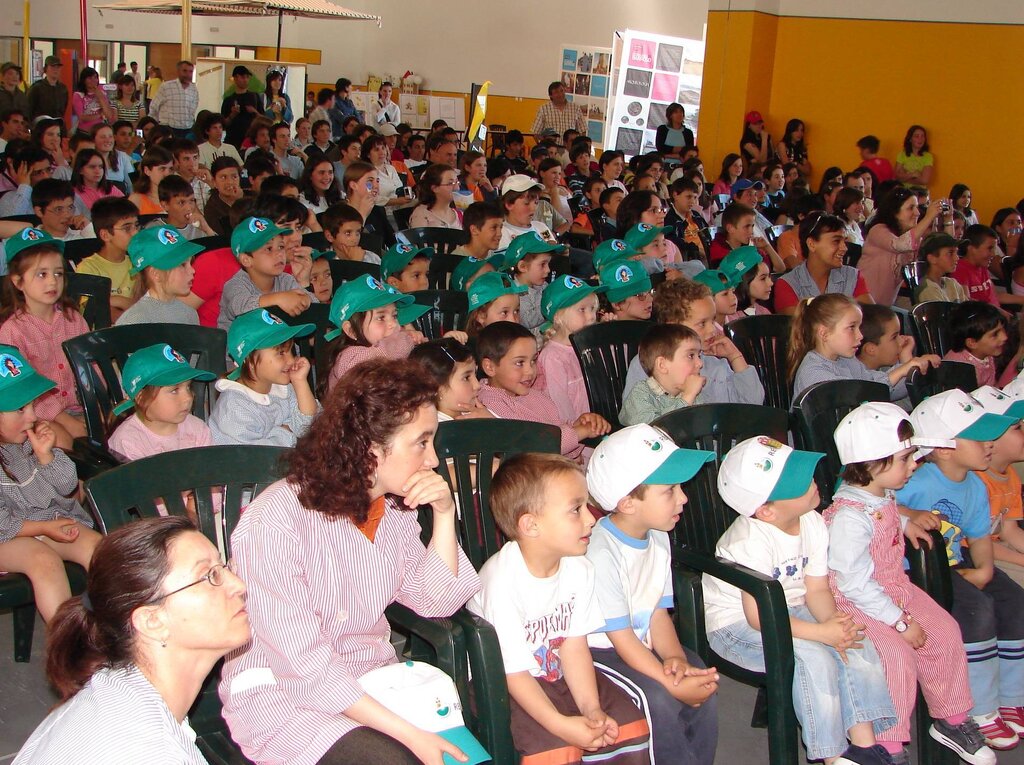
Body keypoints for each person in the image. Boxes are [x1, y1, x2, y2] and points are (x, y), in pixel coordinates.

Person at [704, 436, 901, 765]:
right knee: (814, 659)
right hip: (738, 627)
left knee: (853, 640)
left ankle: (865, 747)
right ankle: (832, 755)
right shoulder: (749, 541)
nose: (812, 481)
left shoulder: (812, 521)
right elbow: (758, 619)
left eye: (804, 473)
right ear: (766, 511)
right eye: (797, 482)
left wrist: (833, 625)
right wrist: (821, 635)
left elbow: (817, 590)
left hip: (789, 610)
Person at [824, 401, 995, 763]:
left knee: (946, 631)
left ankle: (952, 719)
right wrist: (899, 622)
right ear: (872, 464)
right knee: (896, 657)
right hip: (858, 600)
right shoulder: (848, 518)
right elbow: (853, 583)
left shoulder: (879, 494)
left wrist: (904, 522)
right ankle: (888, 743)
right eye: (905, 459)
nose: (914, 464)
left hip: (893, 586)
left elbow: (886, 512)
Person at [14, 516, 249, 763]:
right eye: (209, 576)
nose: (239, 585)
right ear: (152, 621)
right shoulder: (152, 752)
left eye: (224, 567)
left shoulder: (115, 691)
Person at [467, 451, 652, 765]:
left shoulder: (579, 568)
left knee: (624, 725)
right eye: (576, 509)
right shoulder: (502, 581)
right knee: (553, 748)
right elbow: (513, 672)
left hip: (554, 674)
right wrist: (561, 725)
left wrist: (591, 709)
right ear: (531, 525)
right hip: (501, 682)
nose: (591, 518)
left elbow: (574, 644)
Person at [897, 390, 1024, 751]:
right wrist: (907, 515)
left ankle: (1012, 698)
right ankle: (980, 710)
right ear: (944, 447)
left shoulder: (973, 484)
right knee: (975, 609)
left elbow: (979, 535)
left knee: (1014, 600)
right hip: (915, 571)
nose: (989, 443)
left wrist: (985, 569)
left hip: (956, 563)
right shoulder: (917, 479)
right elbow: (869, 500)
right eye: (979, 437)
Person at [586, 425, 720, 765]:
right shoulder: (601, 551)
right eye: (670, 490)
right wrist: (666, 679)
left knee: (699, 675)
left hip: (640, 641)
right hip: (601, 652)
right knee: (658, 697)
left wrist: (674, 656)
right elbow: (621, 638)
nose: (684, 498)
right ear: (628, 502)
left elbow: (657, 611)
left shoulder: (658, 535)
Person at [0, 343, 99, 627]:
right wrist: (42, 529)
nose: (32, 416)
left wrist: (46, 456)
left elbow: (67, 487)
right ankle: (66, 647)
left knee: (98, 549)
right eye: (20, 409)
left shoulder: (31, 439)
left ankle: (116, 631)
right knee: (44, 562)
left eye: (32, 405)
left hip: (47, 522)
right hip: (7, 536)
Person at [0, 229, 89, 449]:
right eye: (42, 274)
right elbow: (23, 390)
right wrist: (66, 419)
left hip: (82, 405)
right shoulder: (12, 331)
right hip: (37, 413)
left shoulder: (73, 318)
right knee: (63, 442)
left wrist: (98, 405)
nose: (52, 282)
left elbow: (90, 365)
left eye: (58, 273)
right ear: (18, 281)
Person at [476, 321, 609, 459]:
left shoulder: (535, 396)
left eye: (533, 360)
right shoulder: (489, 405)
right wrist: (579, 432)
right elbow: (534, 447)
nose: (529, 371)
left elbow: (555, 429)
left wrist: (578, 424)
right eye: (519, 363)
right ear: (490, 367)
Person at [788, 293, 936, 404]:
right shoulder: (813, 372)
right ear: (824, 333)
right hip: (818, 444)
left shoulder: (847, 361)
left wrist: (912, 369)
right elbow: (863, 395)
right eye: (852, 327)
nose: (860, 335)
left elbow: (885, 390)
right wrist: (903, 369)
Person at [209, 308, 317, 446]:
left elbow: (311, 424)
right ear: (249, 361)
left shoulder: (282, 388)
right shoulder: (234, 407)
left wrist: (300, 382)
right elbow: (254, 457)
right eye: (281, 353)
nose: (291, 360)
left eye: (291, 350)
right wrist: (287, 431)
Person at [106, 342, 215, 467]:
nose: (188, 398)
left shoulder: (198, 430)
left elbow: (212, 475)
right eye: (174, 390)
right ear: (141, 397)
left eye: (188, 387)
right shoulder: (127, 442)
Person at [323, 275, 427, 392]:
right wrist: (408, 338)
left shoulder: (391, 349)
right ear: (351, 330)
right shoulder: (349, 357)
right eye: (381, 317)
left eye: (394, 316)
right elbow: (380, 355)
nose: (393, 324)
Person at [218, 216, 313, 331]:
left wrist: (305, 296)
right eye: (269, 249)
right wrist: (279, 299)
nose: (279, 254)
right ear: (246, 260)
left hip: (280, 345)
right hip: (244, 347)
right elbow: (240, 306)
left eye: (281, 247)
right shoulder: (235, 285)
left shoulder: (285, 280)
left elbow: (315, 306)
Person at [971, 385, 1024, 589]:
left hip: (1000, 548)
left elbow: (1010, 531)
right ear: (989, 438)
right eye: (1017, 428)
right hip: (978, 555)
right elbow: (975, 543)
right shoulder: (974, 480)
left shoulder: (1009, 475)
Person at [535, 275, 603, 423]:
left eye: (593, 309)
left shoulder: (591, 344)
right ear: (559, 316)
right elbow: (559, 404)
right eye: (582, 310)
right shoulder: (553, 357)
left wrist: (613, 335)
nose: (591, 316)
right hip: (578, 433)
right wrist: (577, 431)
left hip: (599, 423)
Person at [774, 213, 874, 314]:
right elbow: (797, 326)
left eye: (844, 241)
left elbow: (873, 319)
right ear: (811, 244)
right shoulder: (788, 284)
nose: (844, 248)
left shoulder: (853, 276)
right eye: (836, 241)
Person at [862, 187, 943, 305]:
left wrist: (947, 220)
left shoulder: (912, 238)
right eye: (911, 208)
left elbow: (940, 250)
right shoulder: (878, 230)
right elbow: (900, 245)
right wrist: (928, 217)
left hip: (884, 309)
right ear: (894, 212)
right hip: (862, 305)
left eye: (917, 207)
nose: (917, 213)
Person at [620, 324, 705, 426]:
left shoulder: (693, 395)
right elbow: (654, 431)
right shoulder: (640, 395)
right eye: (691, 355)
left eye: (699, 355)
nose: (700, 363)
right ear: (662, 365)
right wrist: (687, 398)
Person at [116, 225, 202, 326]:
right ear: (156, 274)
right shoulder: (134, 321)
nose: (192, 270)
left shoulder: (189, 313)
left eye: (190, 263)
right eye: (183, 265)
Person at [77, 196, 139, 320]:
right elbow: (92, 309)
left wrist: (111, 300)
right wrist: (122, 301)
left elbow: (143, 305)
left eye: (136, 226)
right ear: (105, 235)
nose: (135, 233)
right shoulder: (88, 267)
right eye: (127, 228)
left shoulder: (137, 263)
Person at [409, 338, 491, 421]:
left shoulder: (482, 414)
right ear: (437, 388)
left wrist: (494, 422)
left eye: (475, 374)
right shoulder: (432, 428)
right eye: (466, 378)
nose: (477, 385)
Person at [503, 231, 562, 332]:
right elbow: (527, 322)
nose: (548, 270)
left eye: (548, 264)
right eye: (543, 264)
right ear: (523, 267)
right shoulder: (513, 295)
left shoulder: (543, 285)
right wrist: (556, 307)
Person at [942, 301, 1009, 388]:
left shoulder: (986, 354)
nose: (1004, 337)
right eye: (995, 334)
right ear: (972, 343)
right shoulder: (959, 369)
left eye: (1002, 329)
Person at [342, 161, 395, 247]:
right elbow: (349, 246)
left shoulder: (377, 210)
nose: (376, 186)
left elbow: (392, 242)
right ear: (353, 185)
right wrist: (362, 215)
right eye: (370, 181)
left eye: (377, 181)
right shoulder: (340, 213)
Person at [464, 272, 526, 338]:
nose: (513, 320)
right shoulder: (472, 347)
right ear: (481, 316)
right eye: (504, 312)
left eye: (516, 311)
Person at [148, 61, 199, 138]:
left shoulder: (194, 89)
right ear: (178, 71)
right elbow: (154, 107)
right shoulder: (166, 87)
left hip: (187, 129)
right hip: (168, 129)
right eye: (184, 71)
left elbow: (193, 110)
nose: (188, 74)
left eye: (191, 71)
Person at [723, 246, 773, 320]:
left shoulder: (764, 312)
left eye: (769, 276)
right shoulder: (729, 319)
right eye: (763, 278)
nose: (771, 283)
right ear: (744, 281)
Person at [916, 232, 967, 303]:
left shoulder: (952, 284)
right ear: (932, 259)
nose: (957, 258)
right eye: (950, 253)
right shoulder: (928, 290)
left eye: (956, 252)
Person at [70, 147, 124, 214]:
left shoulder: (111, 188)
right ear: (80, 170)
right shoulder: (73, 193)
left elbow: (125, 208)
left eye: (101, 167)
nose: (98, 171)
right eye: (92, 167)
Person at [221, 66, 263, 149]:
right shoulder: (228, 100)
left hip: (252, 141)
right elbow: (223, 124)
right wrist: (232, 115)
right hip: (232, 141)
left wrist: (255, 112)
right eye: (243, 77)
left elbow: (263, 120)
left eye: (247, 77)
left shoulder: (254, 97)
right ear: (235, 78)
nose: (246, 80)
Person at [409, 163, 462, 229]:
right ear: (435, 188)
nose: (456, 187)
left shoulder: (460, 214)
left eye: (457, 182)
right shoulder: (422, 214)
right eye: (450, 183)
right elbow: (418, 238)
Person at [203, 156, 244, 236]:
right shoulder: (211, 210)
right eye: (223, 177)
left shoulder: (252, 198)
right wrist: (239, 205)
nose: (230, 182)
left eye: (234, 177)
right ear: (214, 182)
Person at [127, 145, 174, 215]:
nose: (167, 174)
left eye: (170, 169)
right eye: (162, 169)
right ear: (147, 171)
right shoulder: (136, 200)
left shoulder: (178, 197)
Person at [26, 56, 68, 124]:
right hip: (41, 126)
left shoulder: (63, 89)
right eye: (53, 67)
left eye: (58, 67)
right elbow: (29, 110)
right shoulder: (37, 88)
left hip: (57, 126)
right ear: (46, 69)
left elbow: (63, 110)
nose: (56, 70)